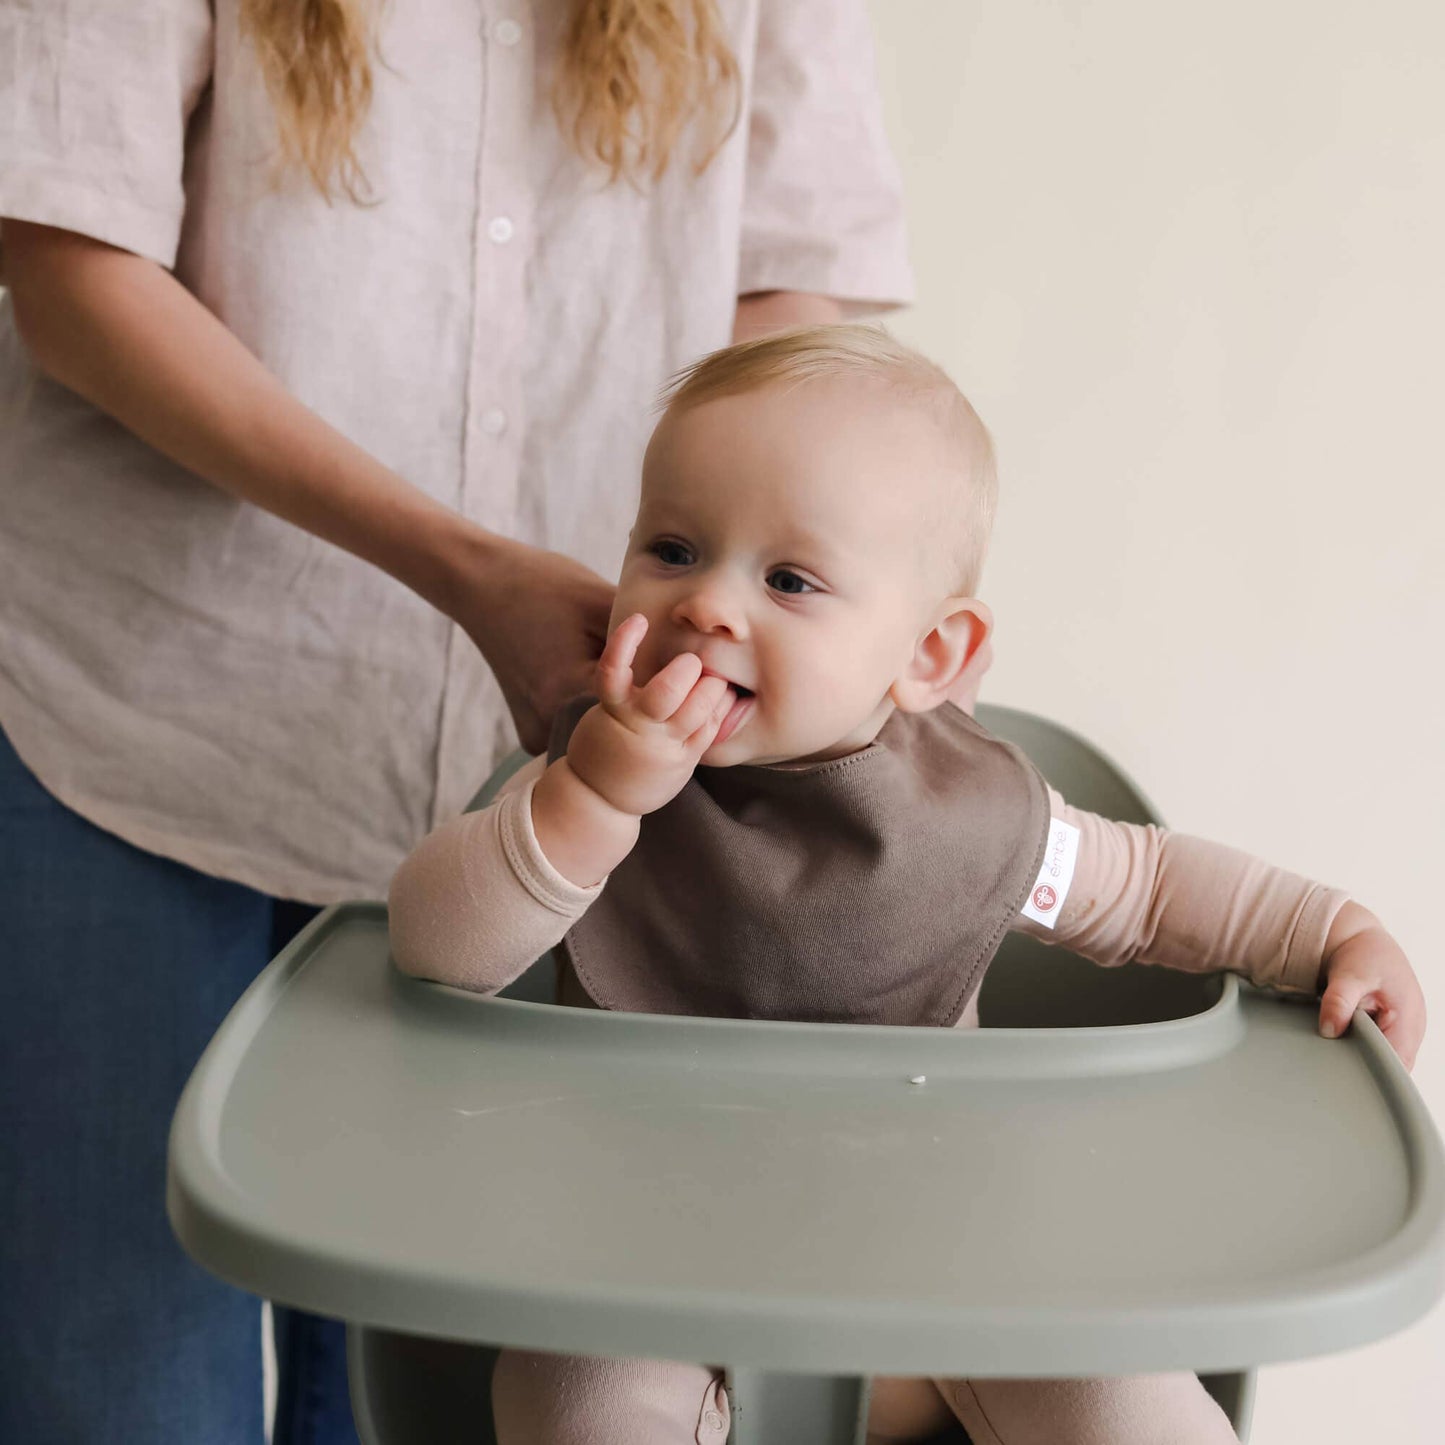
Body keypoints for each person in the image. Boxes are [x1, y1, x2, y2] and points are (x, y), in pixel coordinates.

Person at [0, 3, 918, 1441]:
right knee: (113, 1397)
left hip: (545, 775)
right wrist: (465, 564)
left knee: (408, 1406)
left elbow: (790, 297)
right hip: (135, 726)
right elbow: (67, 267)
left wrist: (740, 590)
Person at [387, 323, 1427, 1445]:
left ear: (928, 655)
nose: (706, 607)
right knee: (573, 1408)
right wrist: (589, 801)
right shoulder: (595, 771)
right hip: (635, 1255)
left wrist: (1325, 927)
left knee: (1136, 1405)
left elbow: (1148, 889)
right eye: (673, 549)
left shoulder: (963, 822)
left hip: (949, 1264)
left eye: (788, 579)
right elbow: (435, 946)